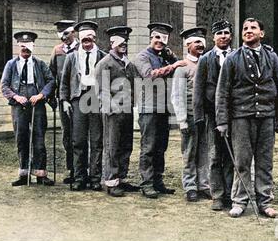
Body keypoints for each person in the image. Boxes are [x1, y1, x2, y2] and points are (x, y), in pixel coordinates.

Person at [216, 18, 278, 218]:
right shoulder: (232, 58)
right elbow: (222, 92)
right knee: (242, 162)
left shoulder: (272, 57)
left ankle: (265, 202)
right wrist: (222, 121)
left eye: (253, 28)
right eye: (245, 28)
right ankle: (239, 202)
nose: (248, 31)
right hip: (241, 118)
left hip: (266, 117)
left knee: (265, 162)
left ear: (261, 33)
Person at [134, 22, 187, 199]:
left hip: (164, 108)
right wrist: (172, 66)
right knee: (148, 147)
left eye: (164, 39)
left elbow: (180, 65)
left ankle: (158, 181)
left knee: (161, 147)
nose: (160, 42)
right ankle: (147, 183)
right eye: (157, 38)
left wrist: (171, 57)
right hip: (148, 108)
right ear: (151, 37)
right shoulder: (143, 56)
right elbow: (149, 75)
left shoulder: (164, 55)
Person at [1, 31, 55, 186]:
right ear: (18, 46)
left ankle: (40, 174)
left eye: (28, 46)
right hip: (19, 106)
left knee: (39, 139)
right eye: (22, 46)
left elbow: (51, 81)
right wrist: (16, 97)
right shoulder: (11, 65)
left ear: (33, 46)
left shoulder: (40, 64)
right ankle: (23, 174)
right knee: (21, 139)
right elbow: (4, 86)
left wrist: (41, 95)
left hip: (37, 106)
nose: (25, 49)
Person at [60, 21, 106, 191]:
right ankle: (79, 177)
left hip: (95, 99)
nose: (87, 43)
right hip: (78, 100)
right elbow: (64, 81)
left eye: (90, 40)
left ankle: (95, 178)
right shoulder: (72, 57)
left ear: (94, 39)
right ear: (79, 40)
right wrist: (65, 100)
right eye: (84, 40)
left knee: (96, 140)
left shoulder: (103, 56)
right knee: (78, 140)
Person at [95, 26, 140, 197]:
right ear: (112, 43)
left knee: (125, 145)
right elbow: (101, 91)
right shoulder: (105, 63)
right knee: (112, 146)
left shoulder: (127, 63)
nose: (124, 45)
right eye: (120, 42)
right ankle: (111, 181)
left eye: (125, 42)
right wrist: (111, 108)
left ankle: (121, 178)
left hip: (127, 110)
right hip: (112, 112)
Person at [194, 20, 235, 210]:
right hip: (212, 115)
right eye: (219, 33)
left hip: (234, 115)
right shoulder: (205, 59)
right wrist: (199, 116)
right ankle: (217, 195)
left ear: (231, 36)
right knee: (215, 156)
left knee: (231, 155)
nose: (223, 36)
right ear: (213, 37)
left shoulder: (237, 56)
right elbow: (198, 90)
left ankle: (229, 194)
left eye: (226, 33)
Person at [171, 26, 211, 202]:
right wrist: (182, 121)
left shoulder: (207, 63)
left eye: (201, 42)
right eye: (196, 42)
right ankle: (190, 186)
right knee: (189, 152)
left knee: (205, 152)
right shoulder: (182, 67)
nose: (200, 46)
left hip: (205, 117)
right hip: (189, 116)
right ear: (188, 46)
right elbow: (177, 95)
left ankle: (204, 184)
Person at [49, 20, 79, 185]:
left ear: (73, 32)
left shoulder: (82, 47)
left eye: (66, 34)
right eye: (60, 35)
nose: (63, 38)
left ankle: (83, 169)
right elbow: (52, 74)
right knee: (67, 134)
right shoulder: (57, 51)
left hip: (81, 98)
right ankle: (71, 169)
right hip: (63, 98)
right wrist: (52, 96)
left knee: (81, 135)